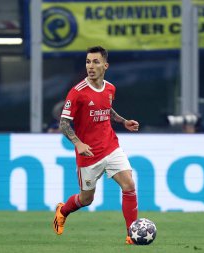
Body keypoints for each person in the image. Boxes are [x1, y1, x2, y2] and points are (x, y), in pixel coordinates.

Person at [52, 46, 140, 245]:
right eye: (88, 62)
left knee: (129, 185)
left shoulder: (110, 88)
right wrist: (79, 143)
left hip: (110, 146)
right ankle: (63, 210)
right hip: (88, 153)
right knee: (86, 199)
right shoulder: (77, 93)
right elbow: (64, 123)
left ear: (105, 66)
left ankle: (131, 234)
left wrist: (122, 121)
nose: (91, 66)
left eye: (96, 62)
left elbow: (106, 108)